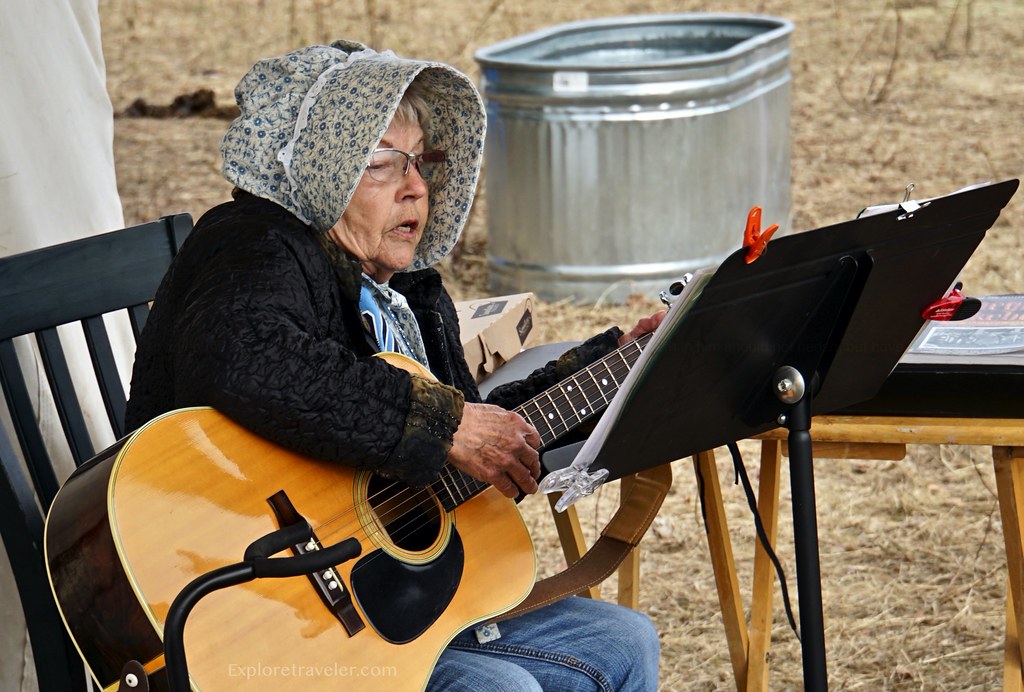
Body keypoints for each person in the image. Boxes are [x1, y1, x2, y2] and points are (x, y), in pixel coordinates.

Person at [126, 40, 664, 691]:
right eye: (383, 164)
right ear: (323, 164)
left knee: (622, 639)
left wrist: (620, 361)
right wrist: (440, 425)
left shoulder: (408, 296)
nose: (416, 187)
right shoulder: (254, 241)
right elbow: (245, 352)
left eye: (423, 164)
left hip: (392, 613)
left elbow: (478, 423)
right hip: (267, 619)